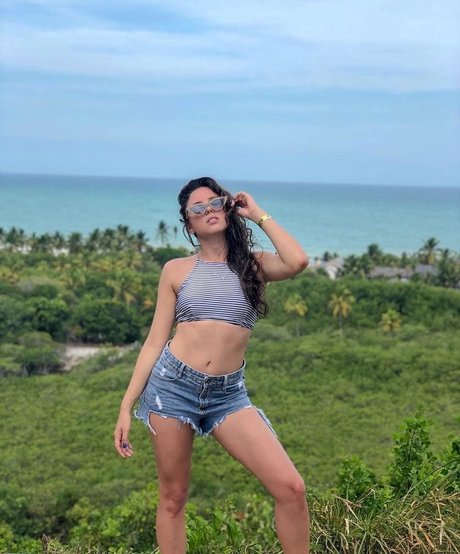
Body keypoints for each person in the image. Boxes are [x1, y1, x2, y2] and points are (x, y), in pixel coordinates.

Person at [113, 176, 310, 553]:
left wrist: (257, 213)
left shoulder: (254, 267)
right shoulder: (175, 270)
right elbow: (154, 342)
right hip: (171, 389)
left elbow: (297, 260)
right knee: (173, 498)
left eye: (215, 203)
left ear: (228, 207)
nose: (208, 211)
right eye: (198, 209)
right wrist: (126, 406)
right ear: (189, 224)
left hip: (228, 395)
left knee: (291, 487)